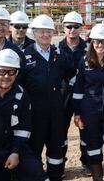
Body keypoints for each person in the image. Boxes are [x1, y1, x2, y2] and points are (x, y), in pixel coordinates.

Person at [0, 49, 48, 181]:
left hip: (9, 147)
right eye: (2, 71)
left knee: (35, 171)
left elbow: (23, 128)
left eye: (12, 72)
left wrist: (15, 152)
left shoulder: (21, 95)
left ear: (17, 73)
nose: (6, 76)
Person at [21, 14, 75, 181]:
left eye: (49, 32)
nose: (45, 35)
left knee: (56, 150)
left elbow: (71, 76)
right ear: (34, 33)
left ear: (53, 33)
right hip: (34, 113)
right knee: (34, 148)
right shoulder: (24, 55)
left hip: (56, 112)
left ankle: (55, 176)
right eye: (41, 32)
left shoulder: (59, 54)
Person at [72, 24, 104, 181]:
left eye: (103, 42)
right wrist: (77, 113)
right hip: (90, 112)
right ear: (91, 43)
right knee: (93, 147)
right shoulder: (84, 61)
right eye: (96, 42)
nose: (99, 45)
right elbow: (78, 89)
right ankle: (97, 178)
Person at [58, 11, 90, 175]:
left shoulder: (88, 49)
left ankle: (87, 163)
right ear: (63, 27)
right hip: (62, 96)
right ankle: (60, 166)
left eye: (76, 27)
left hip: (82, 96)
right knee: (61, 131)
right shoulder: (56, 48)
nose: (72, 30)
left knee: (84, 130)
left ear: (81, 28)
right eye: (69, 26)